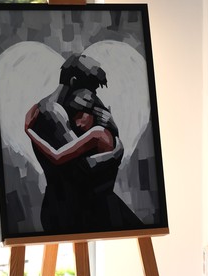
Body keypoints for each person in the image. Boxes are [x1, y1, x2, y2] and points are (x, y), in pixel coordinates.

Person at [26, 87, 143, 231]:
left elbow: (57, 156)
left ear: (93, 112)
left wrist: (29, 131)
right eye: (73, 117)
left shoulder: (97, 134)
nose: (77, 123)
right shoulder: (108, 134)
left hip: (96, 210)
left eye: (80, 115)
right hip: (104, 206)